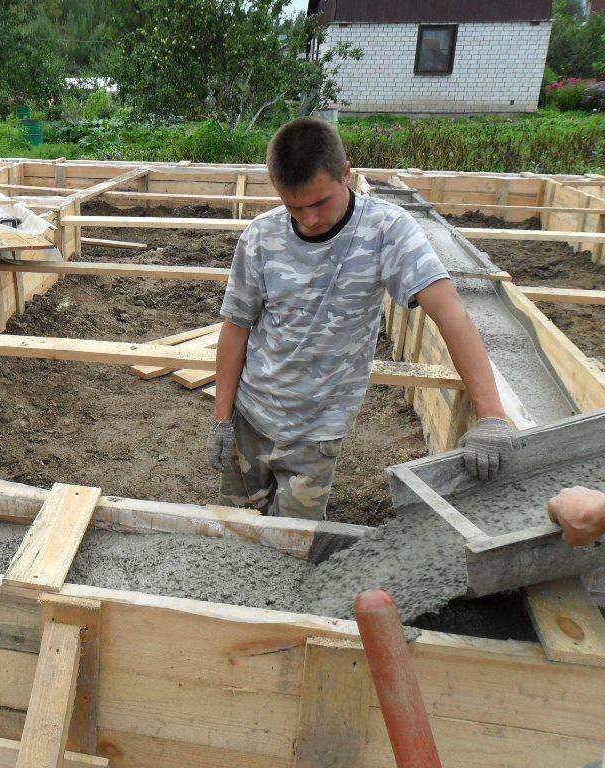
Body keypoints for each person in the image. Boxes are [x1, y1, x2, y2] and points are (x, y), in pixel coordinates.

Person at [207, 117, 514, 527]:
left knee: (291, 543)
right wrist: (222, 417)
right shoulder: (262, 236)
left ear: (346, 174)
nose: (309, 219)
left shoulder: (386, 230)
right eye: (294, 206)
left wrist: (491, 415)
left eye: (320, 202)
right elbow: (237, 327)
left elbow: (451, 314)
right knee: (236, 533)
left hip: (318, 429)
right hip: (252, 415)